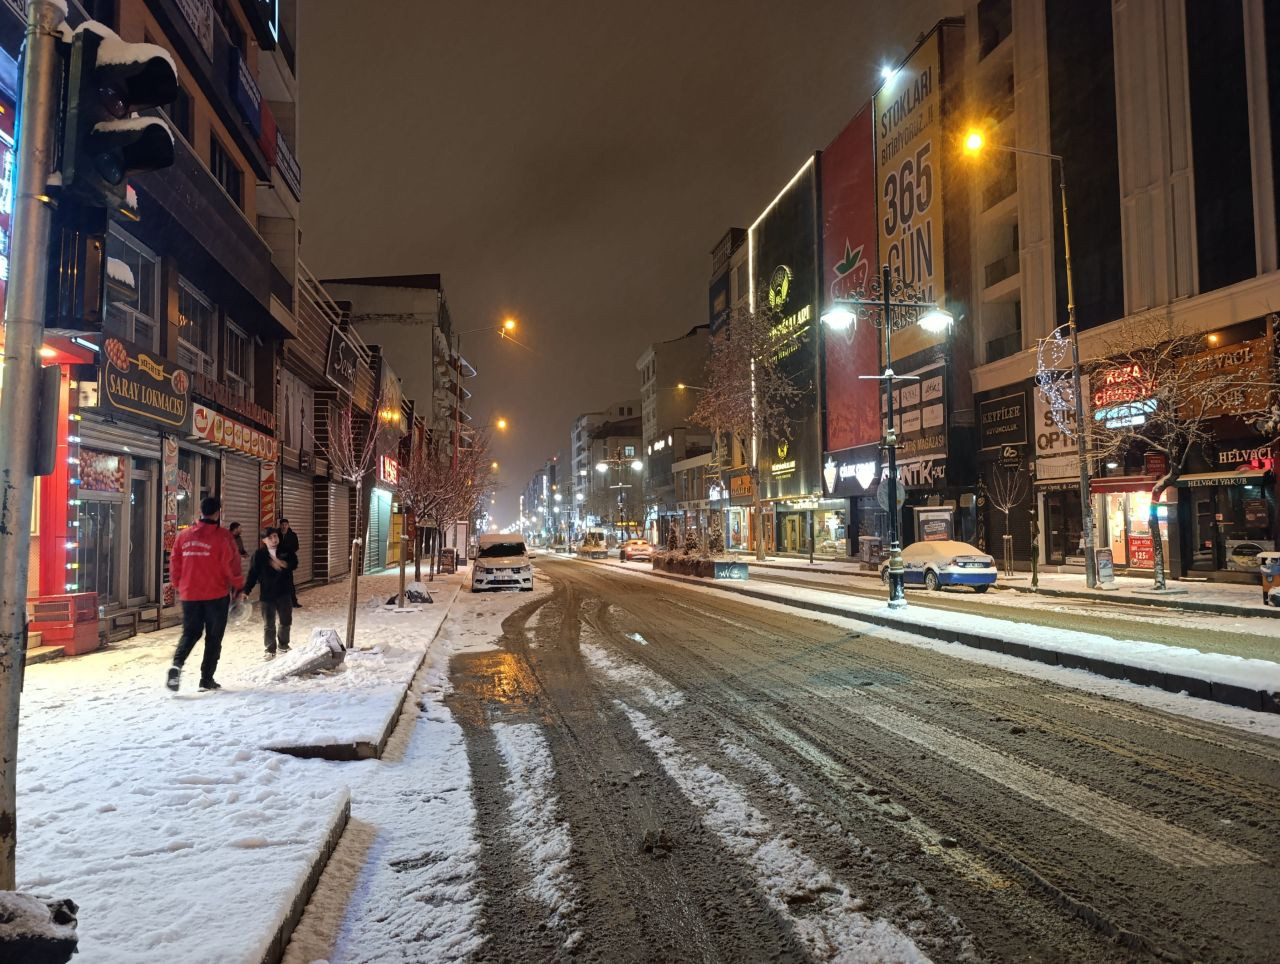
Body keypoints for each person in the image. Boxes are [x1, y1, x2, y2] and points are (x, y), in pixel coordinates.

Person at [166, 496, 244, 692]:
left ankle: (176, 665)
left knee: (190, 633)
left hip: (189, 595)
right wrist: (238, 588)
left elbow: (175, 564)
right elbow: (232, 567)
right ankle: (206, 679)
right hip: (215, 596)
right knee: (214, 637)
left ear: (199, 512)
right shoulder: (224, 537)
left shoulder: (183, 536)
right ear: (218, 512)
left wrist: (179, 585)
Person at [243, 527, 298, 660]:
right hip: (267, 594)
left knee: (286, 620)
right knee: (269, 623)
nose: (274, 540)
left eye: (275, 536)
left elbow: (294, 563)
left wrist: (282, 563)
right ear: (264, 540)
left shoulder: (286, 550)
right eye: (270, 538)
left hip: (284, 591)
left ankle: (283, 645)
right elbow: (252, 574)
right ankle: (270, 648)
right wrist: (246, 591)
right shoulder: (260, 555)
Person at [278, 517, 302, 608]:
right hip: (278, 562)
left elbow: (296, 547)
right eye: (282, 525)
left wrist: (288, 553)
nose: (284, 526)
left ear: (288, 525)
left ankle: (293, 602)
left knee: (289, 583)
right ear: (280, 526)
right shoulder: (276, 534)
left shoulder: (293, 535)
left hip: (288, 562)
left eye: (285, 525)